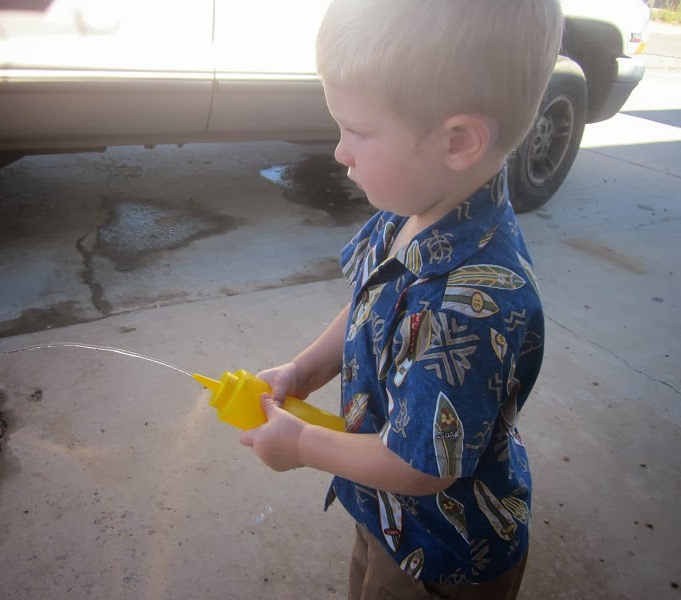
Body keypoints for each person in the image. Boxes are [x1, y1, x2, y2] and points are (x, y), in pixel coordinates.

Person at [239, 0, 562, 597]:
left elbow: (421, 466)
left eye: (357, 130)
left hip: (439, 551)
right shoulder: (414, 209)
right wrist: (306, 367)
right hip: (383, 513)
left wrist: (305, 445)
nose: (340, 150)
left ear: (457, 141)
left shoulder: (468, 300)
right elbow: (369, 301)